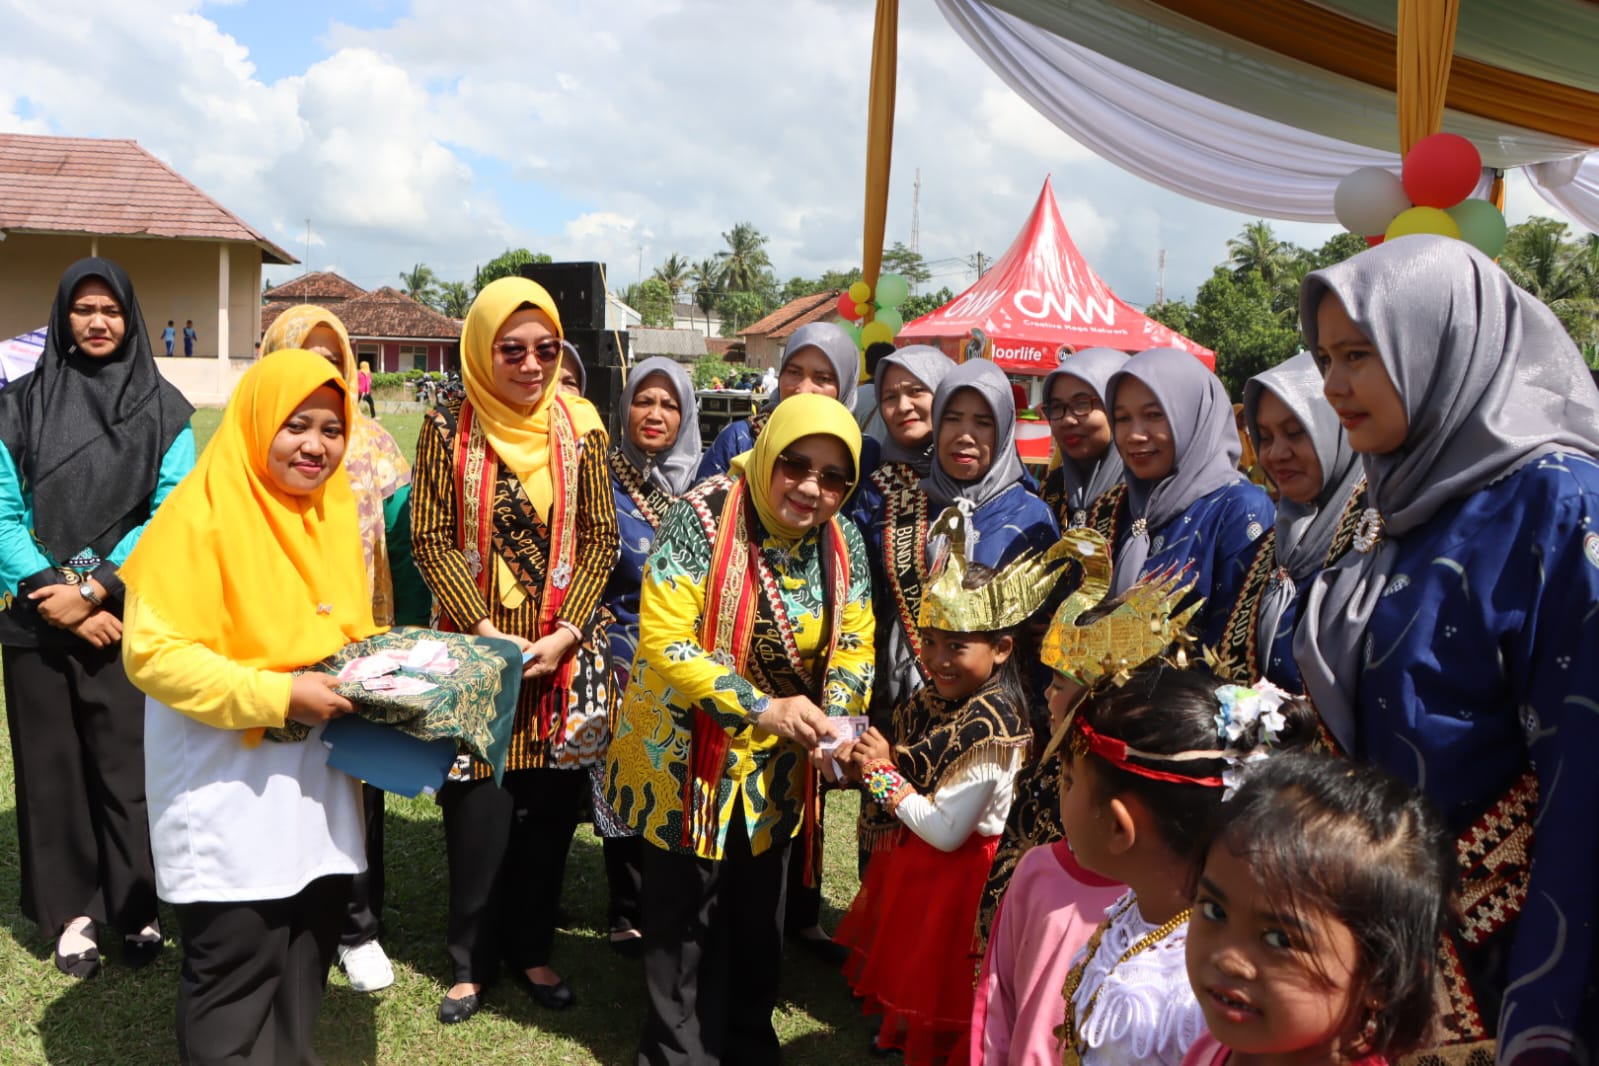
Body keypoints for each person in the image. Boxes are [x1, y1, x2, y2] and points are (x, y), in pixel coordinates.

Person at [1294, 235, 1599, 1064]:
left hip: (1505, 968)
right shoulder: (1390, 499)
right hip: (1380, 946)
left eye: (1357, 354)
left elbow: (1586, 778)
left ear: (1439, 346)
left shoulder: (1559, 505)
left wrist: (1544, 1014)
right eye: (1324, 357)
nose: (1331, 385)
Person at [119, 348, 382, 1064]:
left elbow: (340, 633)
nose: (316, 446)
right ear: (257, 419)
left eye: (332, 429)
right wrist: (278, 692)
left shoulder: (324, 517)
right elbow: (154, 656)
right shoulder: (197, 518)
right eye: (297, 424)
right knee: (236, 970)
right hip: (226, 790)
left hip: (316, 790)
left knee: (304, 961)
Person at [604, 393, 874, 1066]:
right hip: (684, 749)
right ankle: (677, 1052)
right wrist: (762, 708)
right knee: (683, 917)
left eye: (833, 477)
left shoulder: (841, 542)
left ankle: (749, 1042)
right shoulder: (699, 518)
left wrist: (834, 719)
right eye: (795, 465)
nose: (811, 488)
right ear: (768, 453)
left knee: (758, 915)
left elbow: (855, 642)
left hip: (778, 761)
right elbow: (665, 641)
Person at [410, 276, 619, 1024]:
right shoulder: (447, 427)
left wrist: (565, 632)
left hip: (563, 661)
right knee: (476, 813)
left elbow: (602, 536)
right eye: (512, 350)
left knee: (549, 819)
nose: (531, 366)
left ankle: (530, 947)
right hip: (480, 660)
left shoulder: (584, 425)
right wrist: (481, 628)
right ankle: (469, 964)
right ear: (482, 350)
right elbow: (429, 536)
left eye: (546, 349)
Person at [0, 258, 193, 978]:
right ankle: (72, 914)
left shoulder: (165, 408)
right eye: (83, 309)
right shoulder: (18, 404)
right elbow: (2, 509)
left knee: (128, 768)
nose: (98, 322)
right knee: (52, 770)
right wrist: (58, 593)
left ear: (131, 315)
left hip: (124, 617)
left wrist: (96, 589)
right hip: (35, 618)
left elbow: (171, 511)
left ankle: (138, 906)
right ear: (62, 317)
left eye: (110, 309)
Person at [834, 514, 1063, 1063]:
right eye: (931, 641)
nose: (937, 660)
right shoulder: (935, 703)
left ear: (1003, 649)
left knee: (946, 984)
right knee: (917, 967)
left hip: (960, 879)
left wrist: (881, 774)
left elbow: (943, 830)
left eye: (957, 647)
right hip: (925, 872)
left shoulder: (995, 729)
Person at [261, 305, 419, 994]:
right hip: (269, 643)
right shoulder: (246, 444)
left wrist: (405, 639)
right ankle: (278, 918)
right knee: (273, 784)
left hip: (358, 641)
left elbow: (405, 548)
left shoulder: (376, 445)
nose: (324, 371)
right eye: (308, 354)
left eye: (336, 359)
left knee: (352, 784)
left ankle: (357, 927)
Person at [1056, 667, 1319, 1066]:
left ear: (1117, 826)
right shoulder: (1139, 908)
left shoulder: (1196, 998)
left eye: (1068, 780)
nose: (1061, 793)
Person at [1183, 753, 1454, 1066]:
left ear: (1383, 979)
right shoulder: (1213, 1051)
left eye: (1278, 940)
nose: (1229, 960)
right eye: (1215, 911)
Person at [593, 356, 702, 954]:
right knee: (622, 782)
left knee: (679, 784)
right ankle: (626, 903)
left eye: (669, 404)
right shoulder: (601, 481)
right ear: (625, 407)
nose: (655, 414)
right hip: (620, 655)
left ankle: (672, 893)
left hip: (688, 658)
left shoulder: (708, 486)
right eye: (644, 400)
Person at [1207, 353, 1364, 690]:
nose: (1276, 454)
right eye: (1263, 437)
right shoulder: (1270, 546)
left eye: (1296, 433)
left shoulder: (1376, 541)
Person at [1103, 349, 1272, 638]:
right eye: (1122, 418)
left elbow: (1234, 645)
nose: (1134, 434)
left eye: (1155, 415)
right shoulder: (1120, 504)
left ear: (1195, 417)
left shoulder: (1238, 509)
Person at [697, 321, 870, 479]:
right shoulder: (739, 440)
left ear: (845, 388)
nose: (802, 389)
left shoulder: (861, 454)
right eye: (794, 372)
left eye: (822, 378)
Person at [1038, 348, 1127, 537]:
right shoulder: (1051, 489)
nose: (1067, 420)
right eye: (1056, 407)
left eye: (1082, 404)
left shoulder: (1144, 493)